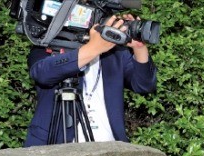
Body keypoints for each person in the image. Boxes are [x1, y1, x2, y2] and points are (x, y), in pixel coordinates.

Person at [24, 14, 157, 146]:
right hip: (57, 145)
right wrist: (94, 48)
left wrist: (139, 47)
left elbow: (144, 85)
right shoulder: (52, 42)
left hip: (110, 148)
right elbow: (42, 73)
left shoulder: (115, 53)